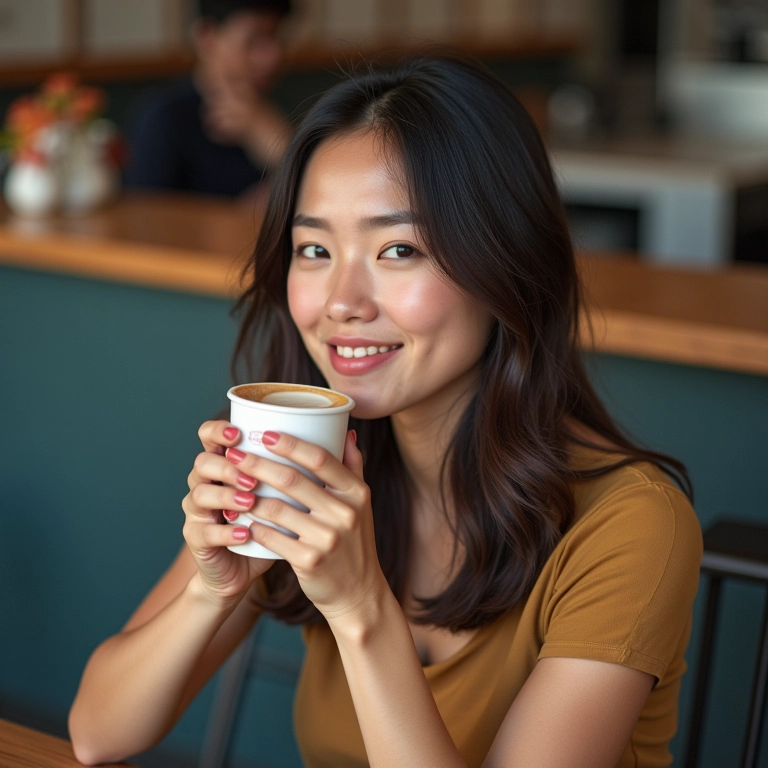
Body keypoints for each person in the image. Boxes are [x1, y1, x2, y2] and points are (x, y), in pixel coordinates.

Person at [69, 55, 702, 767]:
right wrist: (211, 593)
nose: (342, 302)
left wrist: (360, 608)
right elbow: (98, 733)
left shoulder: (630, 524)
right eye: (314, 248)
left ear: (508, 261)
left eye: (399, 249)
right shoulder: (308, 462)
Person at [124, 0, 292, 198]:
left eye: (277, 38)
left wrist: (280, 145)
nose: (273, 57)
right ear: (206, 37)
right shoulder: (162, 118)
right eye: (254, 41)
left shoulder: (277, 112)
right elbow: (144, 212)